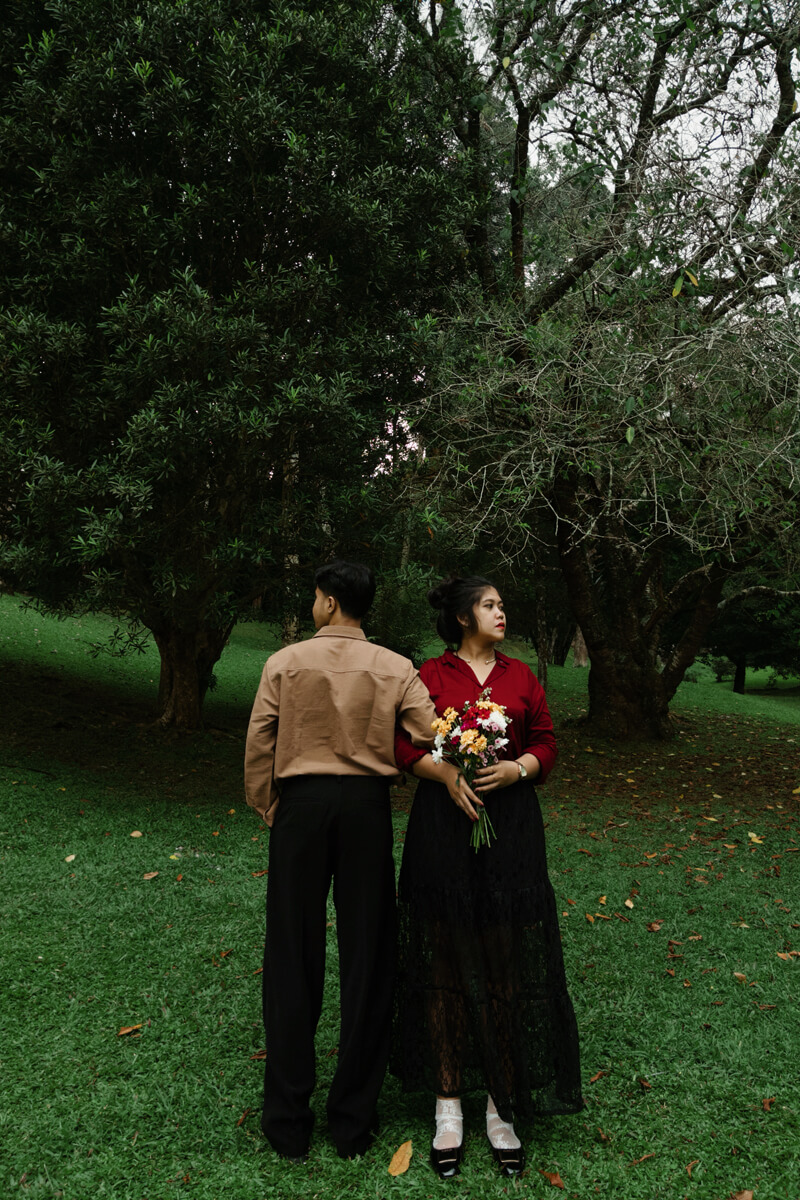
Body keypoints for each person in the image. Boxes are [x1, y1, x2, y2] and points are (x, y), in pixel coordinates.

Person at [244, 560, 437, 1163]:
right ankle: (353, 1123)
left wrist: (270, 805)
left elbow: (260, 741)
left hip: (300, 809)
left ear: (328, 602)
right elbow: (428, 732)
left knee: (291, 954)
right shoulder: (395, 666)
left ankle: (287, 1124)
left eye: (314, 597)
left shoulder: (285, 662)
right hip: (365, 811)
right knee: (368, 957)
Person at [392, 575, 583, 1179]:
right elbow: (402, 745)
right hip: (442, 828)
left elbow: (547, 744)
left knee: (505, 964)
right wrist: (445, 773)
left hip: (512, 830)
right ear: (462, 616)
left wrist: (518, 769)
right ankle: (448, 1103)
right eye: (490, 605)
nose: (502, 612)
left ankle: (502, 1102)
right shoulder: (429, 674)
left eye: (502, 604)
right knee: (443, 963)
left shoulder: (521, 676)